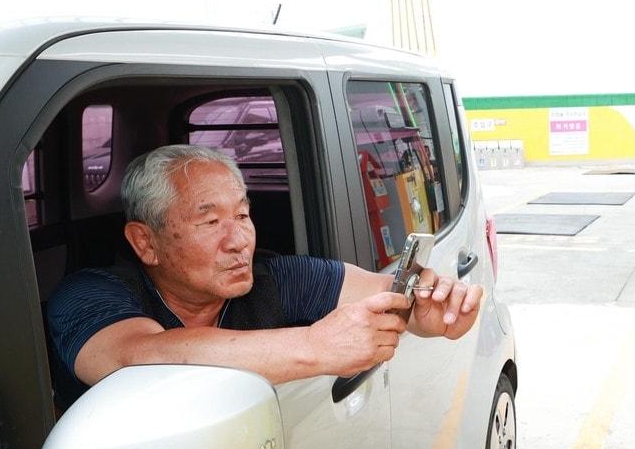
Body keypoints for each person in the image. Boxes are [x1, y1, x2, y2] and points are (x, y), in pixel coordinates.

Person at [46, 144, 482, 407]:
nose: (239, 241)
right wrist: (314, 346)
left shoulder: (274, 277)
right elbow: (131, 355)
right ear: (145, 242)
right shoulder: (89, 294)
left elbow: (382, 290)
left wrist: (425, 311)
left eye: (242, 214)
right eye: (211, 222)